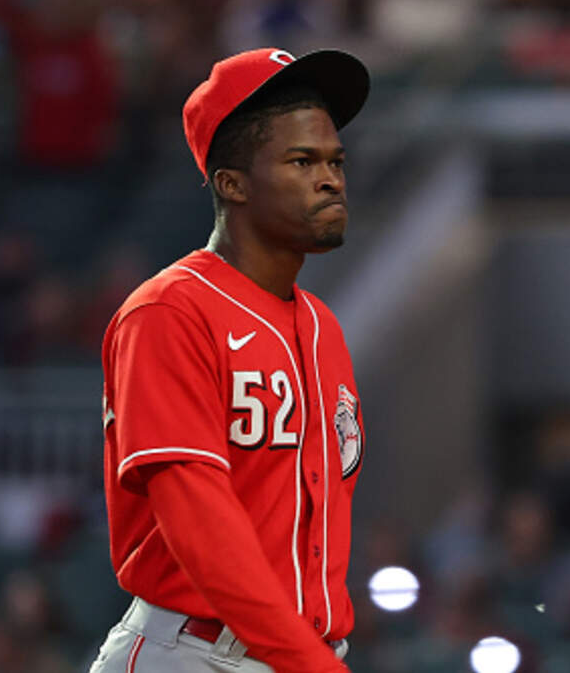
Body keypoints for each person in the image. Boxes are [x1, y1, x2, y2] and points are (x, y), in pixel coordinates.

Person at [88, 48, 370, 673]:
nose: (331, 179)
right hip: (192, 653)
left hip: (296, 655)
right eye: (302, 161)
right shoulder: (169, 311)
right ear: (232, 183)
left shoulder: (322, 326)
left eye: (335, 161)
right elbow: (201, 527)